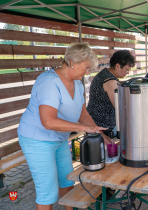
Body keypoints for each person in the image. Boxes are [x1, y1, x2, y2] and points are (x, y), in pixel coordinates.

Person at [17, 43, 108, 210]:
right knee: (47, 192)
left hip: (59, 138)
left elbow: (83, 115)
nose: (88, 72)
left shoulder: (78, 84)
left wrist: (98, 131)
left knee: (67, 181)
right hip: (37, 139)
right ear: (72, 61)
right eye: (86, 68)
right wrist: (84, 129)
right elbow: (48, 122)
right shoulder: (49, 82)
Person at [87, 50, 135, 137]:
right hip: (101, 128)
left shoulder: (106, 74)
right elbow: (120, 107)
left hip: (99, 125)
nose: (127, 73)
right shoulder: (110, 81)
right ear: (117, 66)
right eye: (126, 70)